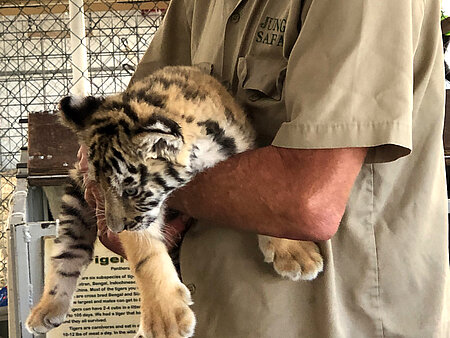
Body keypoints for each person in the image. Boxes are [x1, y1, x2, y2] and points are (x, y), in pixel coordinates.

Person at [81, 0, 449, 337]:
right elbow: (124, 133)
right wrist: (120, 186)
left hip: (332, 321)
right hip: (213, 315)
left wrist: (131, 188)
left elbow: (306, 200)